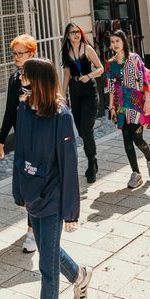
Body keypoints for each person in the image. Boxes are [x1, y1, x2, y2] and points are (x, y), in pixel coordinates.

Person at [13, 58, 92, 299]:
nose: (21, 79)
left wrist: (71, 212)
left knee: (47, 266)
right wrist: (19, 193)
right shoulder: (23, 110)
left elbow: (69, 166)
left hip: (53, 197)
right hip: (32, 194)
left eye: (25, 76)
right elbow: (20, 155)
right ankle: (80, 275)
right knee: (49, 250)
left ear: (37, 80)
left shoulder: (62, 116)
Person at [0, 33, 38, 253]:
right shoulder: (15, 78)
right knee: (24, 183)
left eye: (20, 53)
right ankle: (34, 221)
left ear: (32, 53)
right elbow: (9, 110)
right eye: (14, 54)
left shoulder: (39, 76)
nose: (16, 57)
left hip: (38, 137)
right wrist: (2, 139)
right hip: (22, 137)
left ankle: (32, 231)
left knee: (33, 181)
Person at [104, 29, 150, 189]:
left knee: (137, 138)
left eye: (117, 41)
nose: (115, 45)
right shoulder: (110, 64)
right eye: (112, 42)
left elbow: (144, 82)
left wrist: (147, 102)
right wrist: (111, 107)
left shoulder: (134, 59)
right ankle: (136, 173)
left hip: (136, 104)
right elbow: (111, 87)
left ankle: (149, 158)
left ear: (123, 41)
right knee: (126, 140)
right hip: (120, 106)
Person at [61, 22, 105, 183]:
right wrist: (62, 96)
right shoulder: (66, 52)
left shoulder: (87, 49)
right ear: (67, 35)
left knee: (87, 129)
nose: (76, 34)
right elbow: (66, 76)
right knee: (80, 130)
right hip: (75, 92)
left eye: (78, 31)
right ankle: (92, 159)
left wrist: (90, 75)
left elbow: (100, 68)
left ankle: (91, 163)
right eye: (72, 32)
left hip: (89, 92)